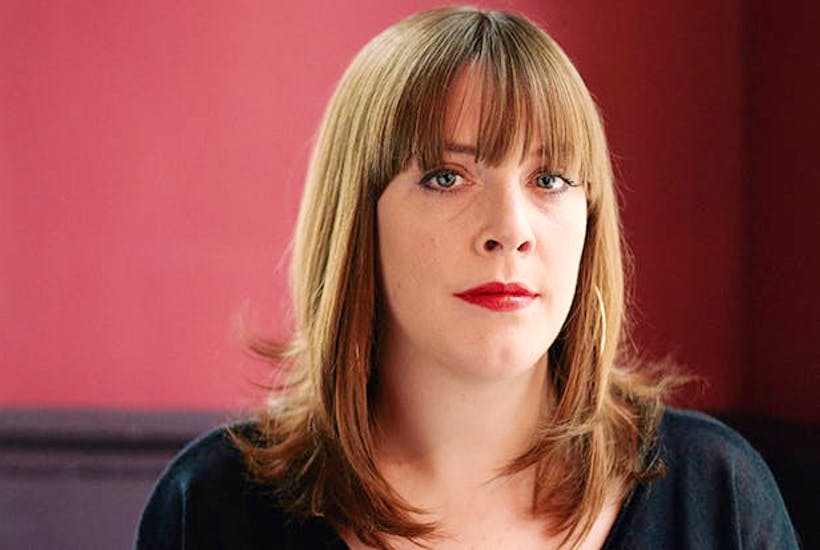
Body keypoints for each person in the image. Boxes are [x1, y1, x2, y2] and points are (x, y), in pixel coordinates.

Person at [136, 7, 798, 549]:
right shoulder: (212, 507)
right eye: (446, 177)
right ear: (358, 219)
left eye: (550, 179)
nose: (509, 228)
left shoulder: (716, 494)